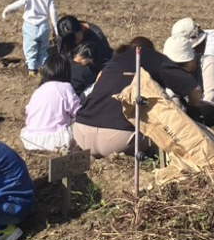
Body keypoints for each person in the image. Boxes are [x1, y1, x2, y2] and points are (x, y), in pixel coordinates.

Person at [72, 37, 201, 158]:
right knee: (165, 134)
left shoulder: (114, 62)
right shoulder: (152, 57)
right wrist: (194, 115)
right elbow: (195, 90)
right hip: (118, 140)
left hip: (81, 133)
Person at [162, 35, 214, 129]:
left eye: (183, 64)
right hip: (199, 116)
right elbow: (173, 97)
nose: (181, 70)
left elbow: (209, 105)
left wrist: (186, 110)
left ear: (192, 57)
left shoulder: (209, 64)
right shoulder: (173, 72)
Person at [2, 0, 58, 77]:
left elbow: (21, 2)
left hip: (30, 26)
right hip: (44, 26)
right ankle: (43, 70)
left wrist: (8, 8)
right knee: (43, 50)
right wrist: (56, 29)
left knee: (30, 49)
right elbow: (53, 14)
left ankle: (32, 71)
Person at [20, 54, 81, 151]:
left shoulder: (39, 90)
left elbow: (28, 110)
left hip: (30, 140)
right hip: (56, 141)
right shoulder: (66, 88)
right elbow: (78, 112)